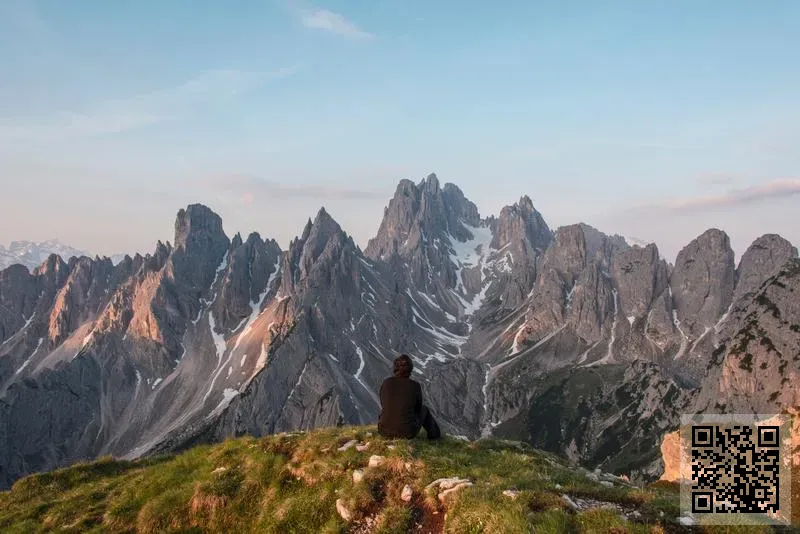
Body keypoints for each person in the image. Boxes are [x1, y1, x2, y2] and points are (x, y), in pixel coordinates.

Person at [377, 354, 441, 440]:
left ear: (395, 368)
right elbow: (418, 409)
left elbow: (383, 403)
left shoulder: (386, 383)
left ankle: (389, 427)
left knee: (385, 410)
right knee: (424, 409)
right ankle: (435, 437)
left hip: (383, 431)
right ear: (410, 369)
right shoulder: (415, 386)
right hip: (407, 432)